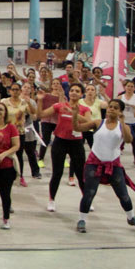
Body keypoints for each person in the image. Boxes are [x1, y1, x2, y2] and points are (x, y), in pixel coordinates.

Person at [75, 98, 135, 233]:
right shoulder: (98, 123)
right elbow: (77, 128)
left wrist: (122, 121)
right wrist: (74, 115)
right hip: (94, 163)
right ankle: (82, 219)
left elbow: (128, 140)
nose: (111, 109)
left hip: (113, 165)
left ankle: (131, 217)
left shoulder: (123, 126)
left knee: (123, 194)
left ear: (120, 111)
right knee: (89, 193)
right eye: (110, 107)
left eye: (115, 108)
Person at [38, 82, 91, 212]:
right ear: (69, 92)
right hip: (60, 142)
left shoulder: (85, 109)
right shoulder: (59, 106)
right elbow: (41, 114)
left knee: (80, 174)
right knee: (57, 173)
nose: (74, 92)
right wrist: (40, 101)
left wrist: (74, 113)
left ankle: (86, 200)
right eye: (72, 90)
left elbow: (89, 123)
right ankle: (51, 200)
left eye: (77, 91)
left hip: (76, 143)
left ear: (81, 94)